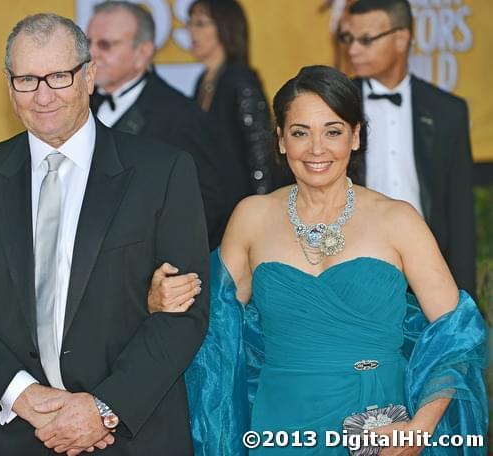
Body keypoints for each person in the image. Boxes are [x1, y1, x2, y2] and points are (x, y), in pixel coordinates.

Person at [149, 65, 487, 455]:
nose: (316, 149)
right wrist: (158, 302)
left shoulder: (398, 219)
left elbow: (457, 336)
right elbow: (209, 323)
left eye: (333, 131)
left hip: (378, 427)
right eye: (300, 133)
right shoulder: (252, 217)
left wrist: (420, 428)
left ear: (356, 136)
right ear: (280, 140)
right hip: (279, 428)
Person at [0, 13, 209, 456]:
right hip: (13, 434)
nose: (43, 96)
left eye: (59, 76)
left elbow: (184, 316)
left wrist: (102, 407)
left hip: (128, 434)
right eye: (27, 79)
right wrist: (23, 395)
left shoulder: (163, 172)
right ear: (9, 85)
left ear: (89, 75)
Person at [338, 0, 476, 297]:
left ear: (401, 39)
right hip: (353, 266)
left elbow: (460, 211)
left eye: (366, 40)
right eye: (349, 39)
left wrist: (466, 302)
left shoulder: (448, 111)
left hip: (427, 267)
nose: (352, 50)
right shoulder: (336, 107)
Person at [87, 1, 226, 249]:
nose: (92, 53)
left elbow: (207, 205)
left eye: (105, 44)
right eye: (88, 43)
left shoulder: (182, 116)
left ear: (142, 53)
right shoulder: (76, 107)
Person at [187, 0, 277, 214]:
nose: (191, 31)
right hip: (212, 202)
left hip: (241, 204)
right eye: (189, 23)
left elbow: (260, 150)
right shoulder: (202, 81)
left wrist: (261, 207)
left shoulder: (240, 79)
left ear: (224, 27)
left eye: (200, 23)